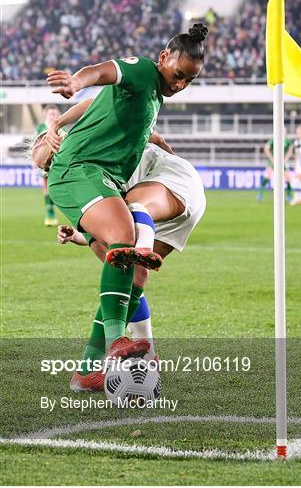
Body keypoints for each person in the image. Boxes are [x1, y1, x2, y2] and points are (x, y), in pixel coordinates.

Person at [43, 23, 208, 385]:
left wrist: (152, 133)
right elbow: (104, 72)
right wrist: (75, 81)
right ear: (164, 58)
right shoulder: (144, 70)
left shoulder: (153, 96)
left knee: (134, 273)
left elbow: (98, 105)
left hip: (104, 179)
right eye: (179, 75)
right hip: (80, 169)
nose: (180, 84)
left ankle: (88, 371)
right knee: (125, 233)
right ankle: (120, 341)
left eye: (189, 81)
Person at [57, 142, 206, 391]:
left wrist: (160, 143)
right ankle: (98, 370)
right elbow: (106, 230)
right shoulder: (76, 174)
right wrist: (77, 236)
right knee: (132, 275)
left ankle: (142, 249)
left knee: (134, 206)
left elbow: (147, 128)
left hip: (169, 181)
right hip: (160, 207)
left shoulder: (86, 150)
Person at [34, 105, 60, 226]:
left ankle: (52, 212)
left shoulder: (60, 127)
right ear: (45, 115)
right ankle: (50, 214)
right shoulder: (40, 127)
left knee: (53, 188)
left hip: (57, 162)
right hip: (44, 162)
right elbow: (35, 144)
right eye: (51, 114)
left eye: (55, 114)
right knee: (46, 188)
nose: (53, 116)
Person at [257, 128, 293, 202]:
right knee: (267, 176)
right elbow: (266, 148)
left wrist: (285, 160)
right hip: (274, 161)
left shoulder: (288, 141)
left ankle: (289, 195)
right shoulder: (273, 140)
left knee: (287, 178)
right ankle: (260, 194)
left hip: (283, 161)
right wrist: (272, 158)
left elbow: (290, 152)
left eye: (284, 131)